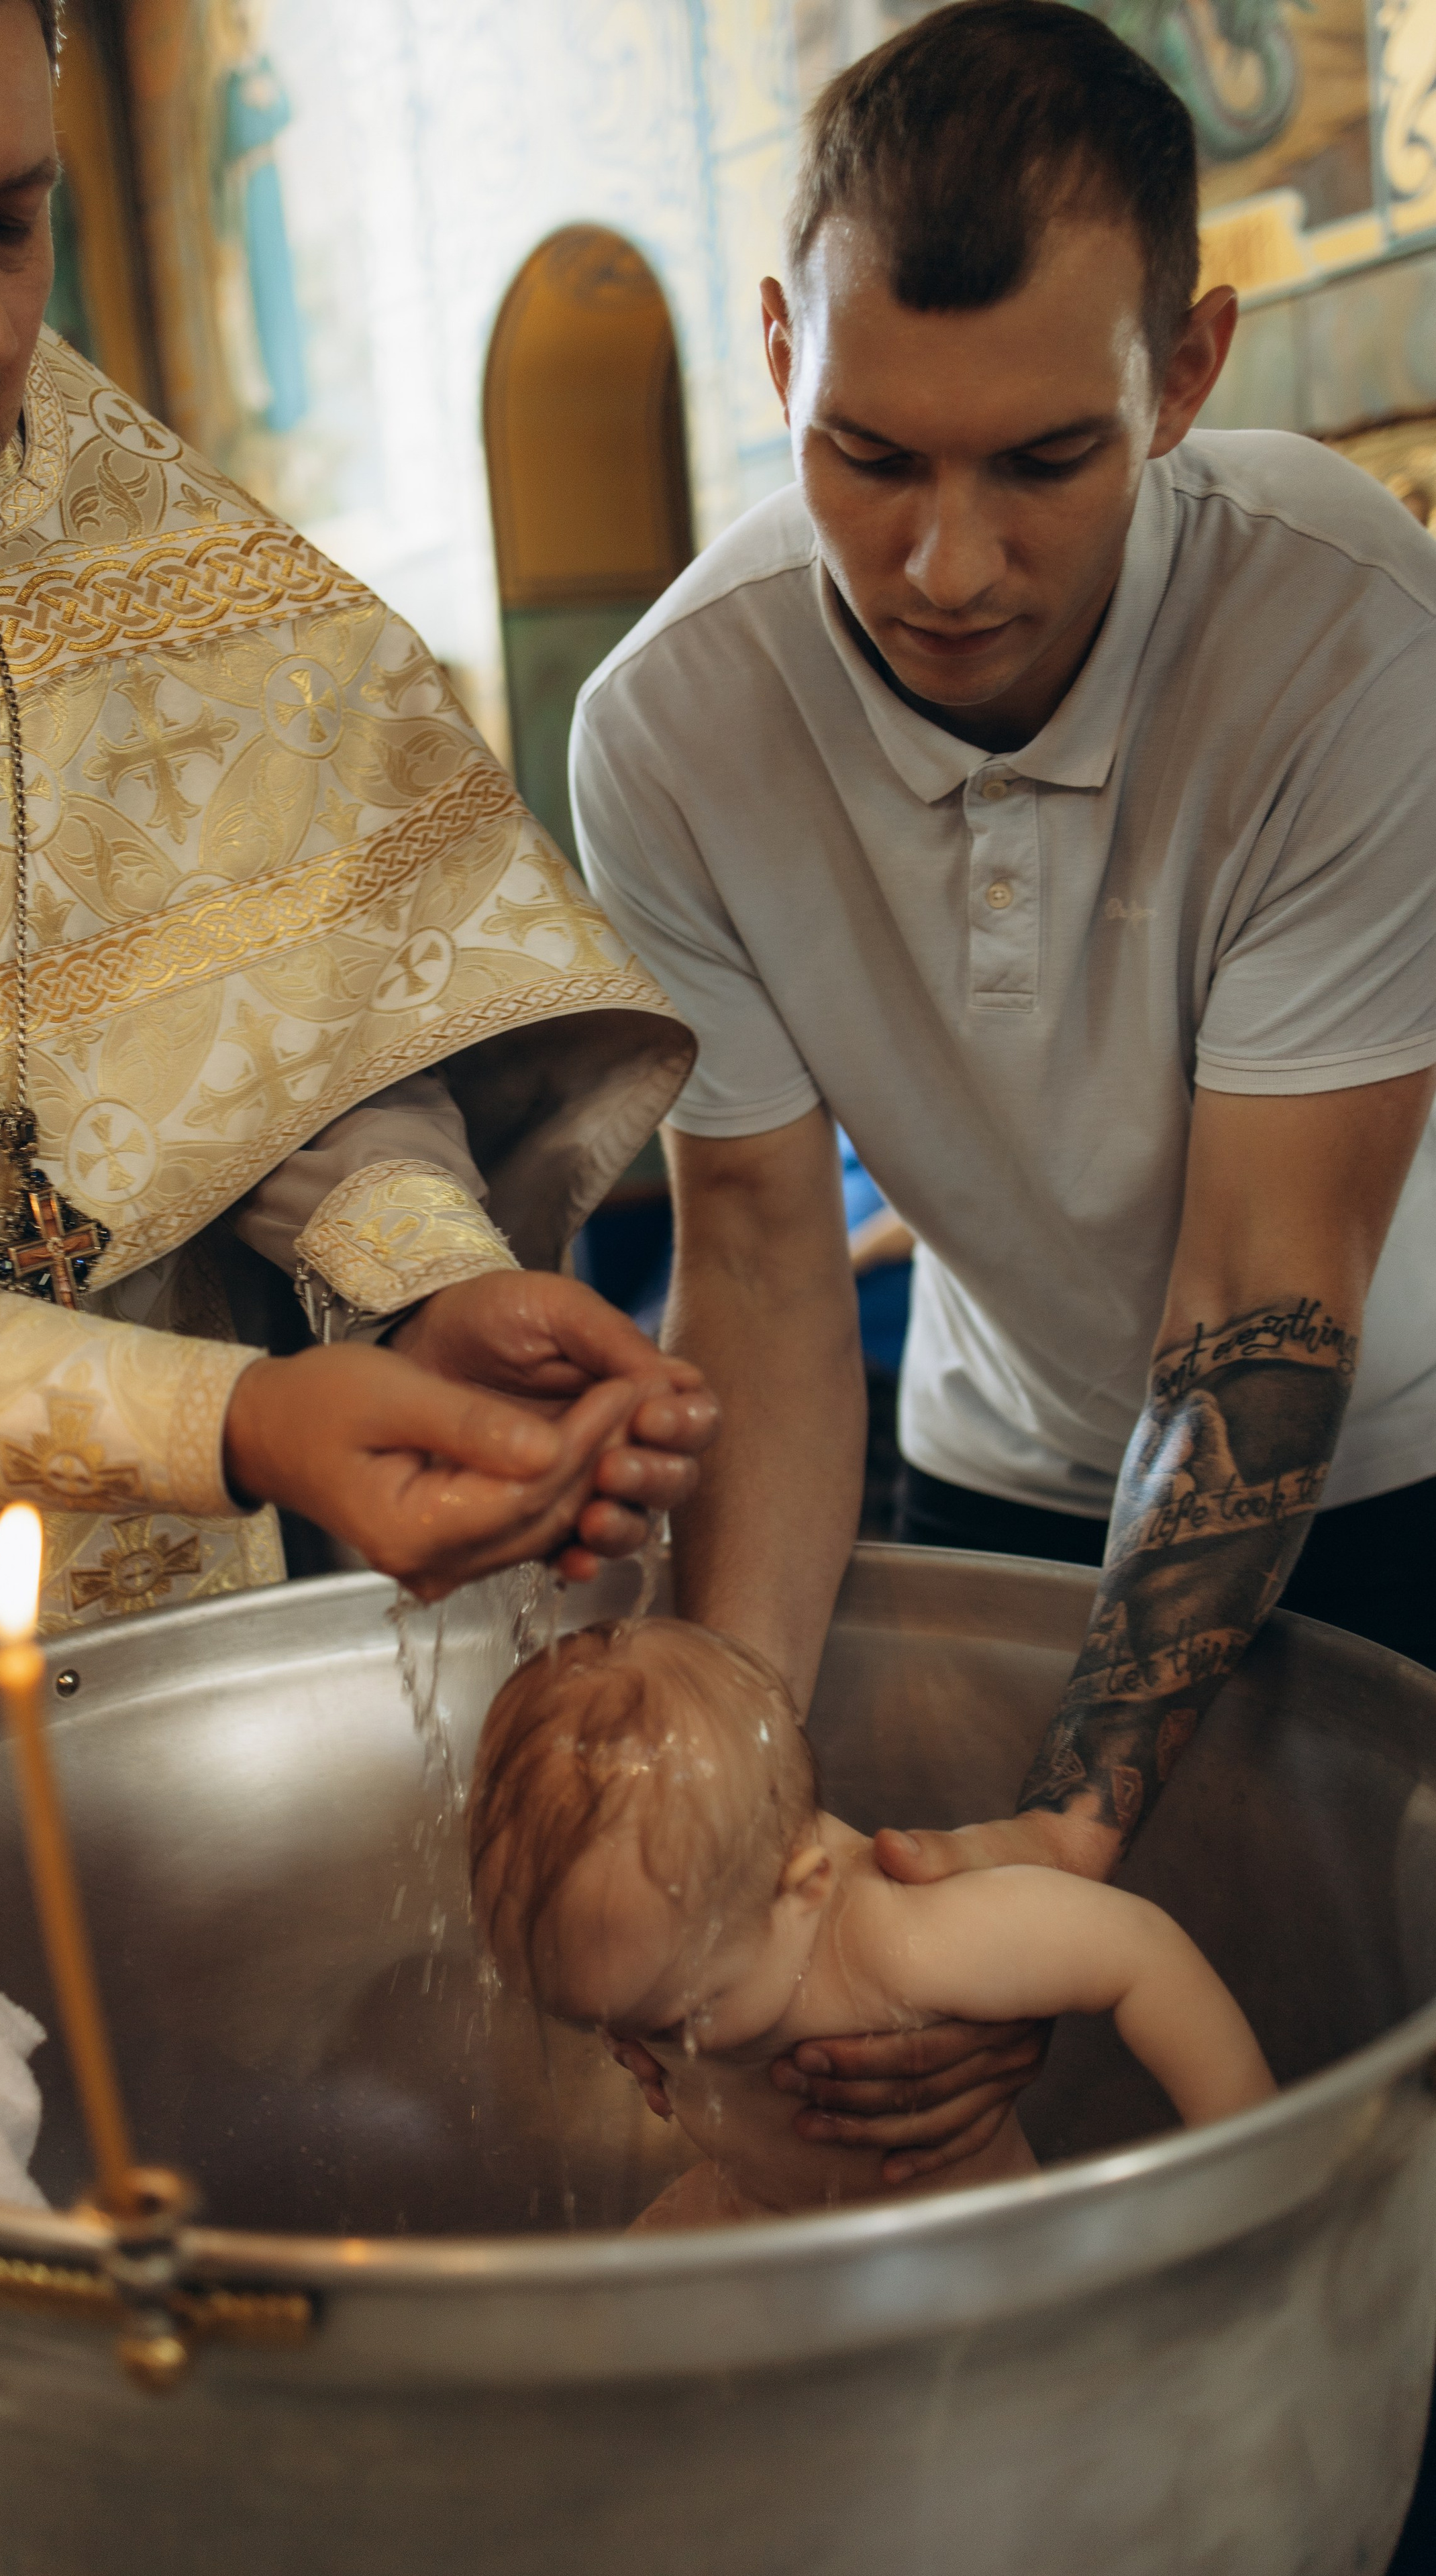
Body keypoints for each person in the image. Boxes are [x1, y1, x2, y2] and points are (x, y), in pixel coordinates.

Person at [571, 0, 1436, 2184]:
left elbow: (1269, 1284)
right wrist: (743, 1819)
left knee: (1370, 2106)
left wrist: (1079, 1814)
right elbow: (760, 1264)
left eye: (1046, 461)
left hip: (1405, 1458)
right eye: (868, 455)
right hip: (1003, 1474)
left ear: (1188, 368)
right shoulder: (667, 728)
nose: (947, 565)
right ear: (780, 353)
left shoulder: (1349, 629)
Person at [0, 0, 717, 1751]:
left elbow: (281, 1008)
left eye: (16, 220)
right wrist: (239, 1422)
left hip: (200, 1685)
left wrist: (425, 1280)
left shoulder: (94, 498)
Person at [469, 1619, 1274, 2227]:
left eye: (675, 2018)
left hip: (959, 2243)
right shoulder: (676, 1937)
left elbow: (1138, 1952)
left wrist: (1256, 2165)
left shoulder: (897, 1937)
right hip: (756, 2207)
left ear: (804, 1890)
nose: (643, 2049)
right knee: (598, 2336)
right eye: (603, 2025)